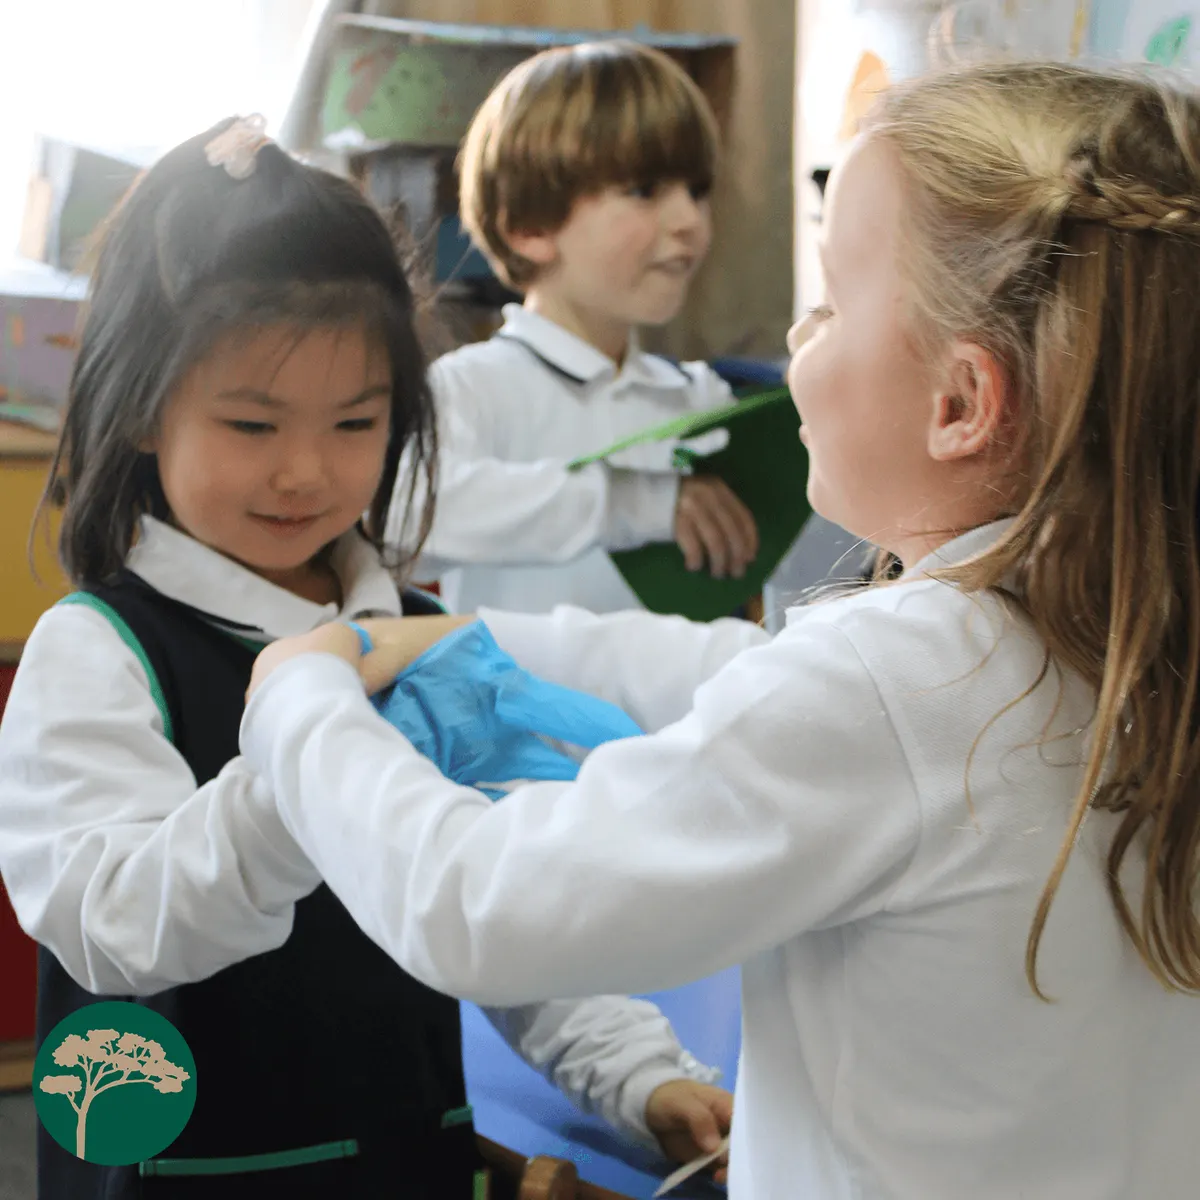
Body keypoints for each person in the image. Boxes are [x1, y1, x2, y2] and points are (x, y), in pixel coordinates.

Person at [240, 62, 1200, 1198]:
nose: (797, 328)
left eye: (831, 302)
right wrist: (473, 638)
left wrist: (300, 703)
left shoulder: (894, 681)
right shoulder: (1128, 639)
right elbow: (760, 674)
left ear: (961, 404)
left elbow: (477, 903)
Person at [0, 117, 732, 1200]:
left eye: (354, 424)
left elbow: (497, 899)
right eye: (252, 426)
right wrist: (313, 749)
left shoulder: (417, 631)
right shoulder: (101, 649)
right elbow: (116, 926)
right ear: (145, 411)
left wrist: (636, 1075)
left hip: (408, 1157)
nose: (304, 471)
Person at [388, 41, 759, 615]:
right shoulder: (471, 387)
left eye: (697, 190)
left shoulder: (698, 398)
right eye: (643, 191)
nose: (690, 220)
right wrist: (633, 503)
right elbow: (404, 519)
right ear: (530, 227)